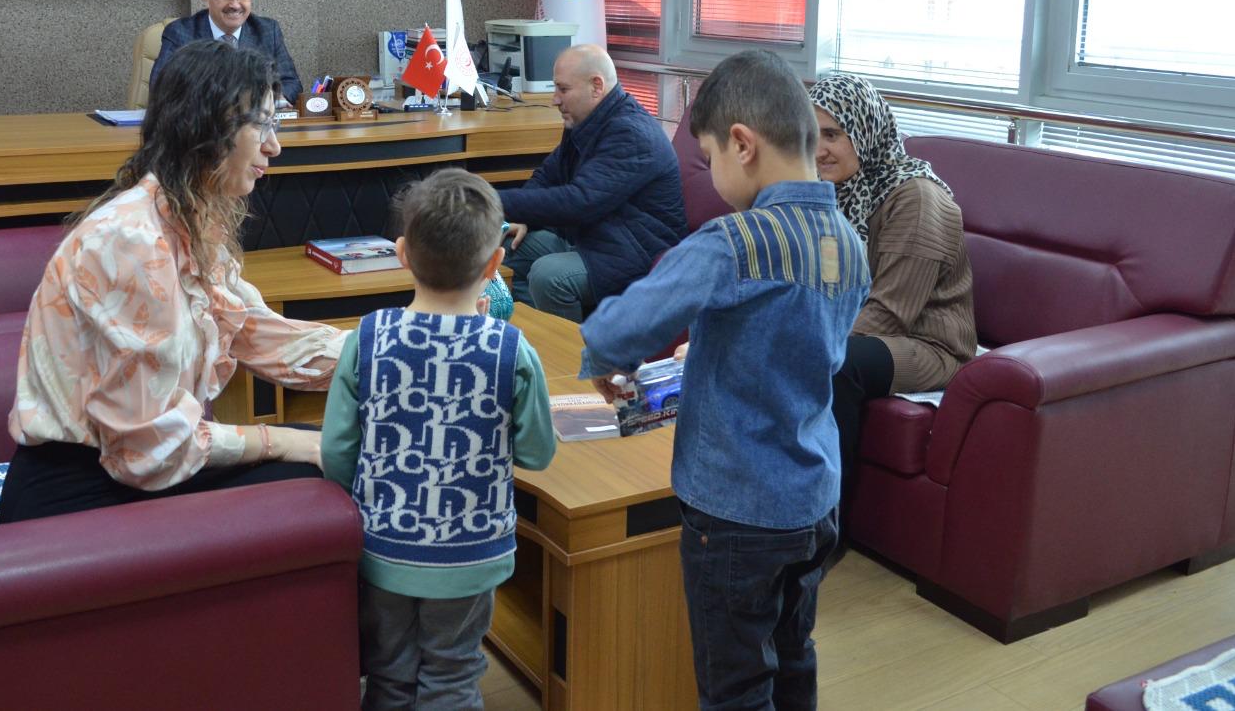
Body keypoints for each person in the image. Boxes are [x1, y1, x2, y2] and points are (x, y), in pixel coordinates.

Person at [578, 49, 870, 710]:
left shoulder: (736, 241)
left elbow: (620, 327)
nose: (709, 174)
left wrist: (605, 360)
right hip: (815, 498)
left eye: (708, 156)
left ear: (743, 144)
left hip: (737, 509)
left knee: (734, 685)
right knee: (793, 656)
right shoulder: (847, 242)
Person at [0, 40, 342, 522]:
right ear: (210, 127)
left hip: (136, 464)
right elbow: (148, 449)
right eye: (262, 124)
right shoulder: (133, 242)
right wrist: (282, 440)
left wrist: (393, 349)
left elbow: (260, 336)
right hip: (79, 494)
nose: (274, 146)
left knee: (335, 450)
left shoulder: (190, 217)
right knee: (323, 468)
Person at [321, 169, 556, 710]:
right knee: (452, 677)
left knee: (389, 674)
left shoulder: (367, 337)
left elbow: (336, 451)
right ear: (495, 263)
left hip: (384, 546)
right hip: (471, 555)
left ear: (402, 253)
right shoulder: (510, 348)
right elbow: (538, 452)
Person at [807, 72, 977, 518]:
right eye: (810, 134)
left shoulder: (917, 199)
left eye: (832, 134)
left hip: (928, 343)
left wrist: (805, 345)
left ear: (865, 131)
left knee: (836, 364)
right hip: (865, 328)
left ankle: (824, 524)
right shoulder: (840, 190)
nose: (818, 149)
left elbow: (890, 314)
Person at [500, 43, 684, 322]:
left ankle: (572, 346)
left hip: (636, 253)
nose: (555, 100)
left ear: (596, 86)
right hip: (595, 240)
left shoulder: (631, 134)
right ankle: (535, 332)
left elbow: (579, 202)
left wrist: (489, 201)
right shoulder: (586, 121)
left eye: (563, 89)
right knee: (508, 247)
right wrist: (524, 218)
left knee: (548, 276)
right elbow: (548, 175)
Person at [149, 0, 302, 104]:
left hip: (255, 118)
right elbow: (161, 88)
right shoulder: (180, 33)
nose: (235, 5)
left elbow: (292, 84)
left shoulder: (267, 31)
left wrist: (265, 101)